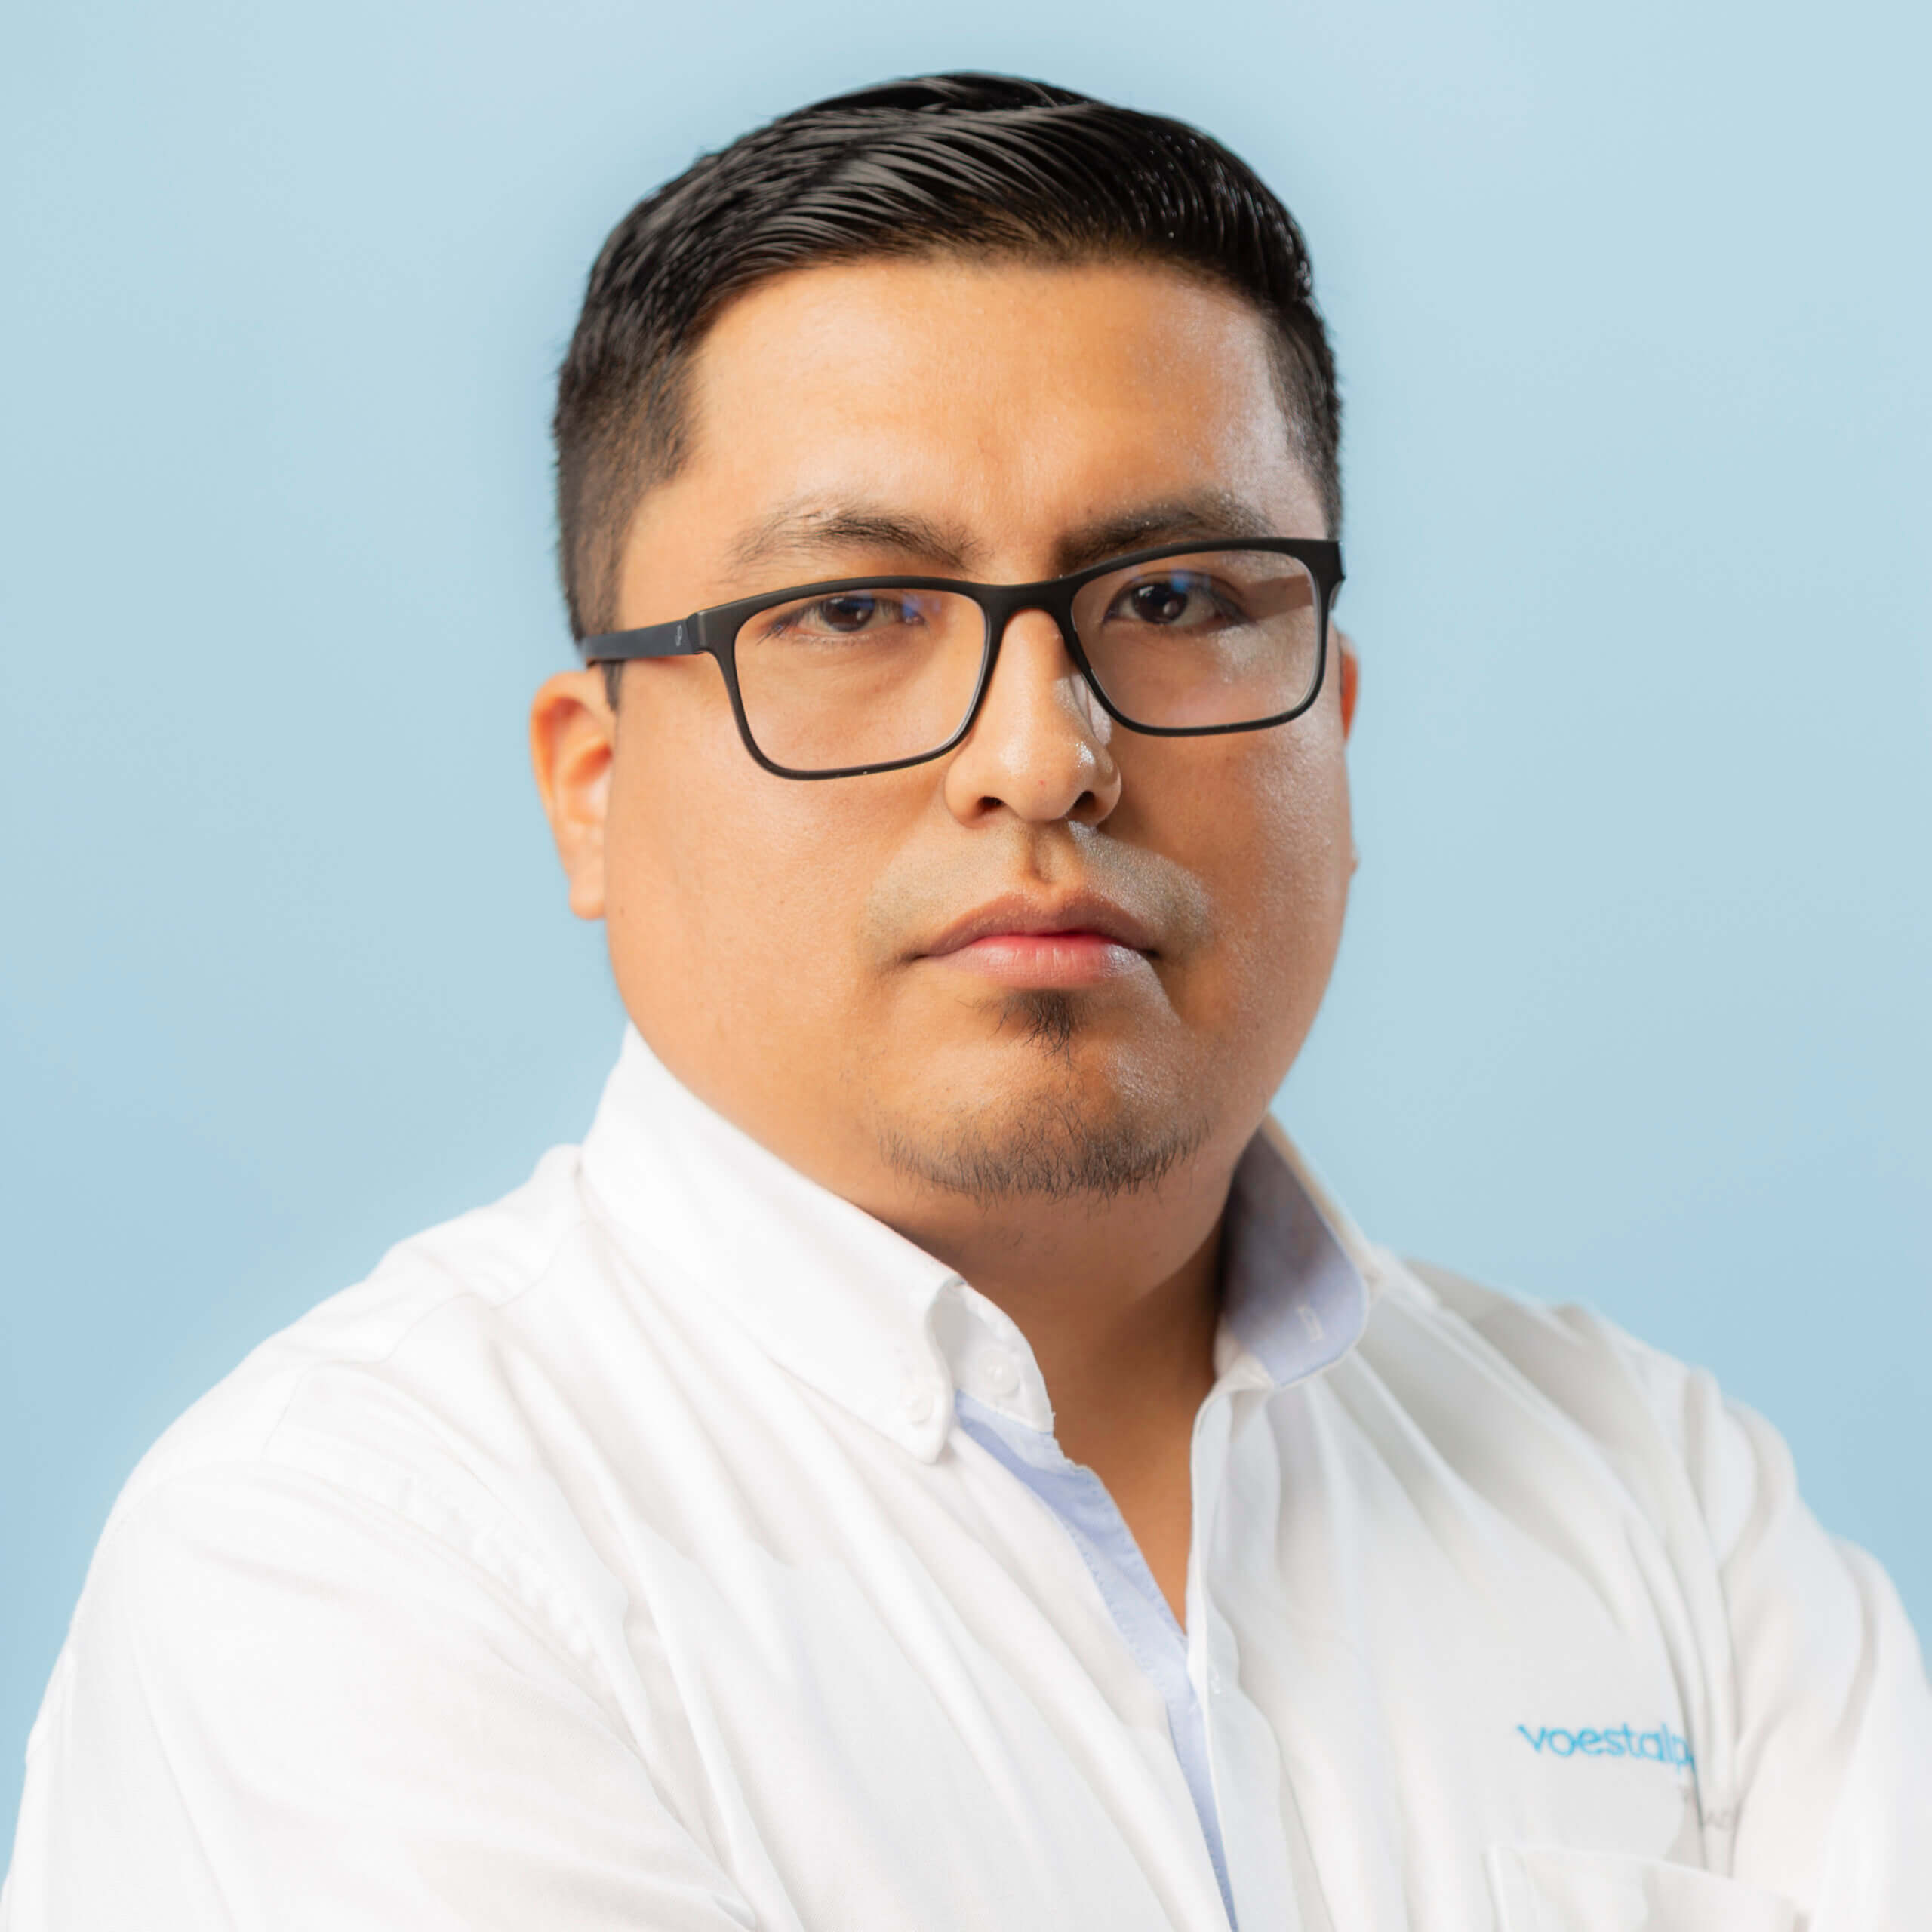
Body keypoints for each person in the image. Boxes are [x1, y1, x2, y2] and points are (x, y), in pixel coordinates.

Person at [4, 72, 1926, 1932]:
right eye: (851, 611)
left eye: (1173, 597)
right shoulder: (358, 1553)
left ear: (1334, 731)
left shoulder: (1657, 1498)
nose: (1039, 754)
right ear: (592, 783)